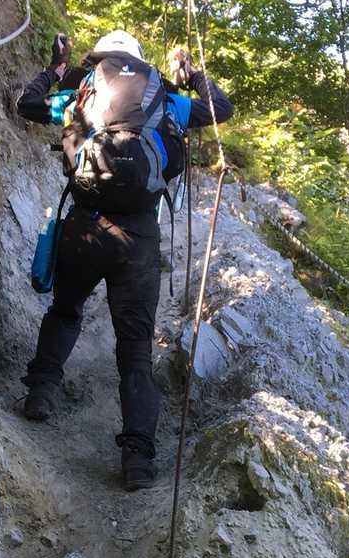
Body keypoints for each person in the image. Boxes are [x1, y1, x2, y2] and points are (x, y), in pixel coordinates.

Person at [15, 28, 233, 490]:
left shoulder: (81, 94)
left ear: (101, 60)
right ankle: (137, 460)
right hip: (138, 236)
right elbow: (222, 109)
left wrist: (55, 69)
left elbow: (26, 104)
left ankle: (40, 394)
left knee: (66, 310)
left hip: (85, 225)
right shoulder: (166, 101)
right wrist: (192, 75)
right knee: (135, 350)